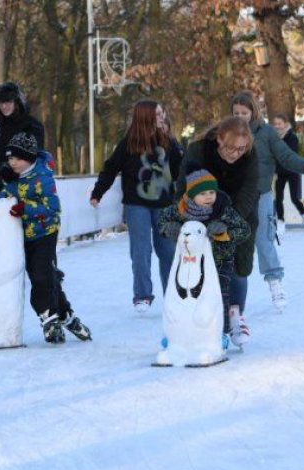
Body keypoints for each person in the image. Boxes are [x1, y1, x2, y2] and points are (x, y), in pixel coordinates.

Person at [0, 131, 92, 344]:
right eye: (9, 158)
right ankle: (67, 316)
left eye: (17, 158)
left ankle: (48, 319)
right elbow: (5, 195)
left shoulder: (42, 176)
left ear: (29, 158)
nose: (12, 162)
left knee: (41, 277)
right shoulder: (12, 174)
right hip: (23, 236)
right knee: (45, 277)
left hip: (44, 233)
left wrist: (24, 208)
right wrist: (3, 199)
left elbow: (53, 207)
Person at [230, 91, 304, 312]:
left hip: (261, 195)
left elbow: (285, 155)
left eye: (244, 112)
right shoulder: (227, 132)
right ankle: (227, 292)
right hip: (235, 198)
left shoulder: (267, 133)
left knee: (264, 241)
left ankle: (275, 282)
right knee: (233, 244)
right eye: (236, 113)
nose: (240, 116)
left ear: (253, 111)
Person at [90, 101, 182, 313]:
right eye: (157, 114)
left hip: (165, 204)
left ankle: (174, 295)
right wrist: (98, 192)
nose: (162, 117)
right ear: (146, 117)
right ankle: (142, 295)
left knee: (167, 250)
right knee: (140, 251)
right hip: (136, 204)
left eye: (162, 112)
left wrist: (175, 145)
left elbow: (178, 171)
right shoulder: (128, 144)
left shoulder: (167, 141)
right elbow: (110, 168)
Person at [177, 116, 259, 342]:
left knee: (239, 267)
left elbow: (250, 191)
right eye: (231, 148)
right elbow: (184, 186)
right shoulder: (199, 150)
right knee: (205, 269)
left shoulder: (250, 154)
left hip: (240, 216)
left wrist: (229, 222)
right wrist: (185, 218)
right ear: (219, 139)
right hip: (201, 215)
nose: (236, 153)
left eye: (241, 149)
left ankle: (235, 316)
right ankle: (206, 321)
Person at [159, 170, 251, 347]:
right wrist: (168, 228)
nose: (209, 197)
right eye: (203, 193)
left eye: (212, 192)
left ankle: (220, 333)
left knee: (218, 297)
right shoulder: (180, 210)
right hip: (188, 264)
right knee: (182, 297)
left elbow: (244, 230)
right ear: (192, 195)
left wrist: (225, 232)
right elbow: (162, 221)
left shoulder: (223, 210)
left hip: (219, 262)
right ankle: (177, 333)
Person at [0, 82, 45, 195]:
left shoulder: (31, 125)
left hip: (28, 183)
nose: (4, 106)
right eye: (1, 103)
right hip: (3, 184)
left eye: (8, 102)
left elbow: (37, 153)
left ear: (16, 102)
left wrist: (15, 167)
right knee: (2, 211)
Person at [270, 113, 304, 236]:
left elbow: (289, 155)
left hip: (292, 171)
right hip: (280, 173)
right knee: (278, 198)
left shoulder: (292, 137)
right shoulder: (273, 138)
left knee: (295, 198)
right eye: (275, 124)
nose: (277, 126)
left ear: (285, 124)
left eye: (279, 123)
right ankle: (281, 222)